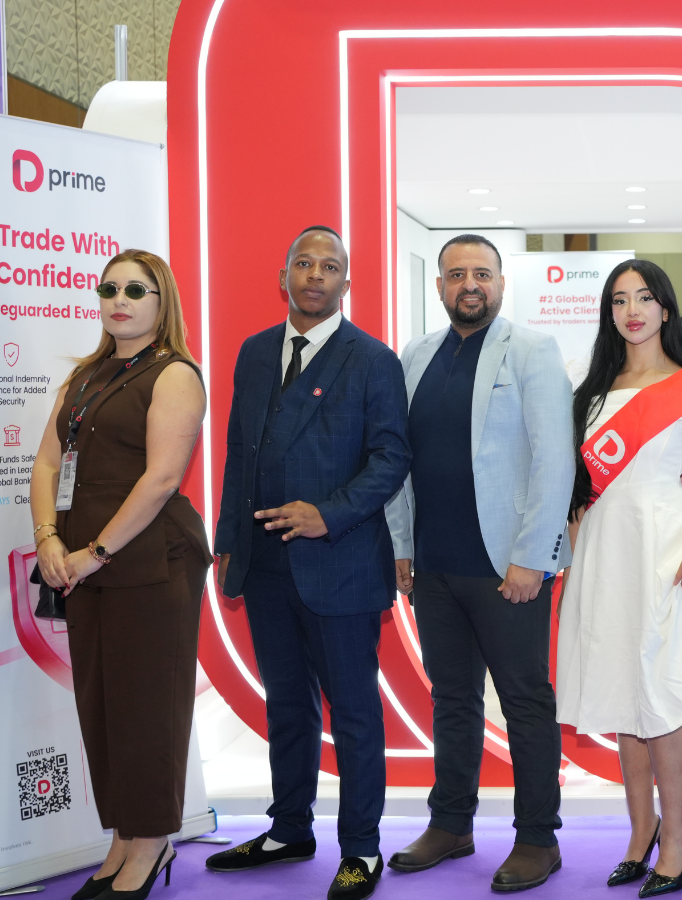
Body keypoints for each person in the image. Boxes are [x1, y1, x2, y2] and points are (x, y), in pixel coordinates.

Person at [206, 226, 411, 900]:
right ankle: (289, 828)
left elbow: (392, 457)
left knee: (353, 713)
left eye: (329, 266)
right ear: (284, 276)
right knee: (288, 706)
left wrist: (330, 512)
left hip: (339, 562)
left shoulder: (372, 359)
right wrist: (228, 541)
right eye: (304, 263)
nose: (315, 274)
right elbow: (239, 452)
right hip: (264, 563)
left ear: (346, 282)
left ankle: (362, 849)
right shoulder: (255, 351)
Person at [385, 234, 575, 891]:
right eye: (457, 273)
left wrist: (533, 557)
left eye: (482, 273)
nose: (470, 284)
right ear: (439, 285)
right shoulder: (415, 355)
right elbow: (399, 462)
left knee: (525, 702)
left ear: (500, 282)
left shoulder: (532, 350)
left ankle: (538, 838)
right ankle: (451, 824)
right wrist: (402, 545)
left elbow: (555, 459)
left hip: (507, 569)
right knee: (452, 701)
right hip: (434, 567)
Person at [30, 249, 211, 900]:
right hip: (81, 564)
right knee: (102, 707)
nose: (119, 300)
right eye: (109, 289)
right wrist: (48, 538)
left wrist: (95, 552)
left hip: (150, 561)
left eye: (136, 290)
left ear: (163, 303)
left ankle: (152, 841)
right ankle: (123, 837)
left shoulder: (175, 374)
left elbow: (162, 479)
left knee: (148, 708)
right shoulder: (84, 377)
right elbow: (47, 464)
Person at [556, 260, 682, 898]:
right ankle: (641, 829)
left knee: (662, 694)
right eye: (620, 299)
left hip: (665, 551)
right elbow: (578, 493)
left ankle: (677, 832)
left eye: (645, 297)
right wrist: (575, 564)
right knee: (621, 691)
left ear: (665, 308)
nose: (633, 310)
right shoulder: (588, 394)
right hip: (604, 555)